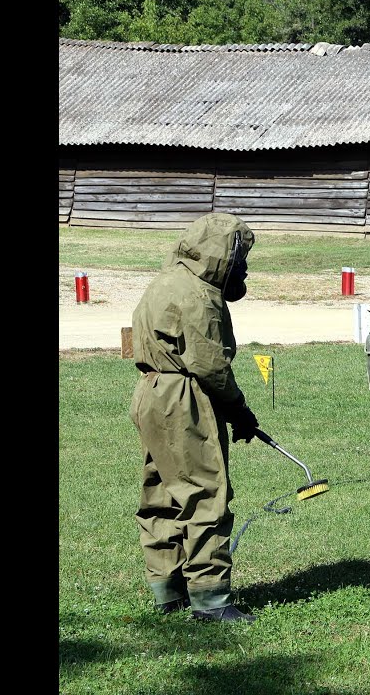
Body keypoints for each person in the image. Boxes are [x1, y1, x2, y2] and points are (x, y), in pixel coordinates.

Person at [130, 212, 260, 622]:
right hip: (183, 397)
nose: (243, 269)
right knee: (204, 494)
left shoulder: (164, 281)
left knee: (162, 494)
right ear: (223, 253)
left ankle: (167, 590)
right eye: (240, 259)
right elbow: (210, 365)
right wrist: (240, 410)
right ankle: (210, 600)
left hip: (151, 391)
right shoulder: (198, 295)